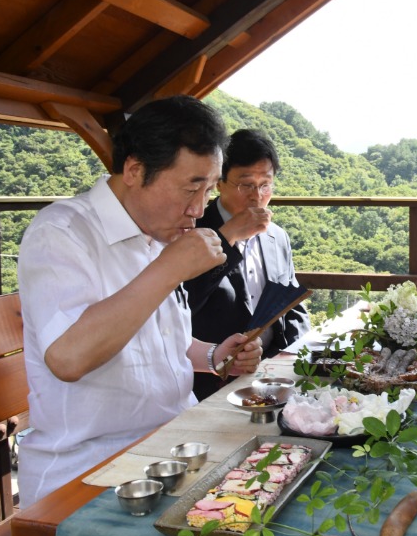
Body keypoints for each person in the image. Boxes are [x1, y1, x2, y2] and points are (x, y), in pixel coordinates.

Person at [16, 96, 264, 506]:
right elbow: (68, 358)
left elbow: (164, 343)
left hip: (170, 448)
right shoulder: (61, 232)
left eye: (208, 186)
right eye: (191, 186)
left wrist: (216, 355)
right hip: (87, 471)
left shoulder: (157, 233)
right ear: (134, 170)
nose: (200, 208)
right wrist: (169, 268)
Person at [184, 129, 310, 401]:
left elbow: (292, 304)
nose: (257, 196)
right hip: (209, 380)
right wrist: (228, 237)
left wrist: (300, 356)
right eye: (246, 184)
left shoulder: (277, 236)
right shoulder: (193, 229)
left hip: (271, 374)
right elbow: (184, 299)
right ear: (219, 182)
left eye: (266, 184)